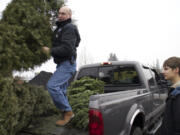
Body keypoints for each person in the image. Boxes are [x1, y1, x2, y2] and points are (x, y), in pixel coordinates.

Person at [42, 6, 81, 126]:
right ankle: (65, 116)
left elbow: (67, 49)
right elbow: (78, 40)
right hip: (62, 64)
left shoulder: (68, 27)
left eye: (63, 13)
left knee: (52, 86)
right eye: (59, 13)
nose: (60, 15)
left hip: (67, 64)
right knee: (62, 91)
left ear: (69, 15)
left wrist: (50, 50)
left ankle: (68, 112)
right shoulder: (61, 28)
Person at [161, 56, 180, 135]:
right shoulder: (175, 90)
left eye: (166, 69)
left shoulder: (178, 94)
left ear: (176, 70)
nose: (162, 72)